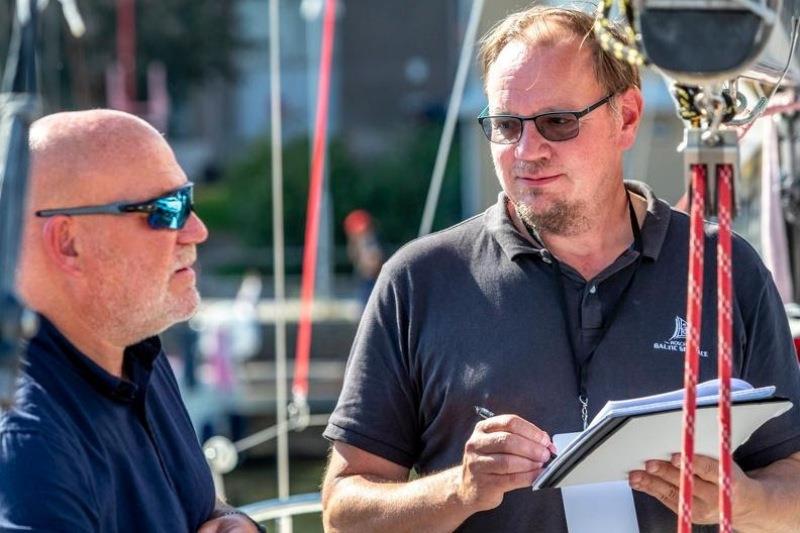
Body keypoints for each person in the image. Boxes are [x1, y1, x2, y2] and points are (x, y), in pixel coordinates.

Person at [321, 6, 800, 532]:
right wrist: (459, 490)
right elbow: (343, 513)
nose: (528, 151)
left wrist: (743, 499)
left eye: (557, 122)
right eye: (505, 126)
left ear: (629, 118)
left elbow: (792, 481)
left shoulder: (726, 271)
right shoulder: (419, 281)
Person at [0, 110, 263, 532]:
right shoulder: (29, 445)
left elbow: (185, 504)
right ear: (69, 243)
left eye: (188, 199)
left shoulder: (137, 354)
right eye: (167, 209)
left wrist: (231, 520)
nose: (197, 230)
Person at [343, 209, 384, 308]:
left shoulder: (368, 240)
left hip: (371, 277)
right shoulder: (359, 242)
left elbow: (375, 258)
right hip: (366, 278)